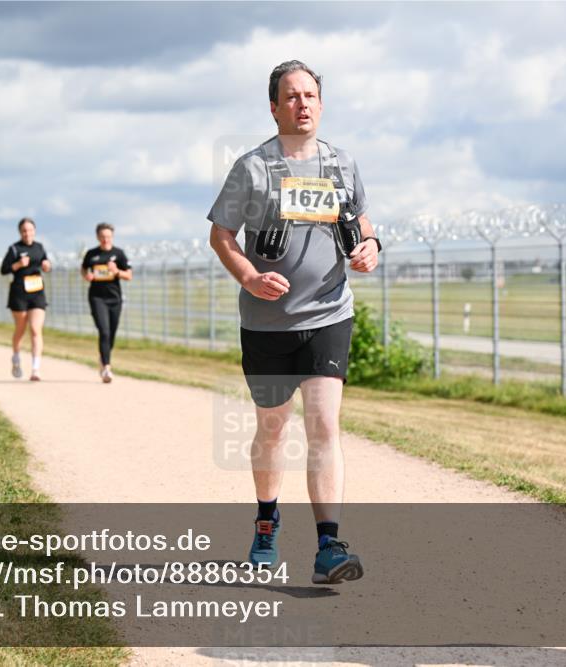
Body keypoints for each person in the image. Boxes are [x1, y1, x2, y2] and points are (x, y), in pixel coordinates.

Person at [208, 60, 381, 584]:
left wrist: (371, 246)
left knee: (324, 424)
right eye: (291, 96)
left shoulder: (342, 165)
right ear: (274, 107)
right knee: (272, 429)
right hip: (267, 323)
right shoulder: (253, 167)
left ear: (321, 104)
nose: (302, 103)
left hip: (330, 311)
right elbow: (221, 236)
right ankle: (267, 522)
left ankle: (329, 545)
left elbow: (363, 223)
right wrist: (248, 276)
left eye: (310, 95)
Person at [0, 217, 51, 381]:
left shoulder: (39, 247)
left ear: (34, 231)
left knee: (36, 329)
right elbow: (4, 269)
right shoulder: (14, 249)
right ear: (20, 232)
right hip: (19, 293)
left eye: (30, 230)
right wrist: (18, 265)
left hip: (37, 291)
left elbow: (46, 263)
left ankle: (36, 369)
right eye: (24, 230)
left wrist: (46, 266)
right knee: (20, 330)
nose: (27, 233)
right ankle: (15, 356)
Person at [81, 222, 131, 383]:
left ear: (112, 237)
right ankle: (107, 368)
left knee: (112, 334)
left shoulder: (119, 254)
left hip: (114, 299)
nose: (105, 239)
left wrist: (117, 271)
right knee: (104, 331)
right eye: (102, 236)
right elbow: (83, 269)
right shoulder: (92, 254)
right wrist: (86, 276)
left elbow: (129, 275)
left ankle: (103, 358)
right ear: (97, 237)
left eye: (108, 236)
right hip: (97, 298)